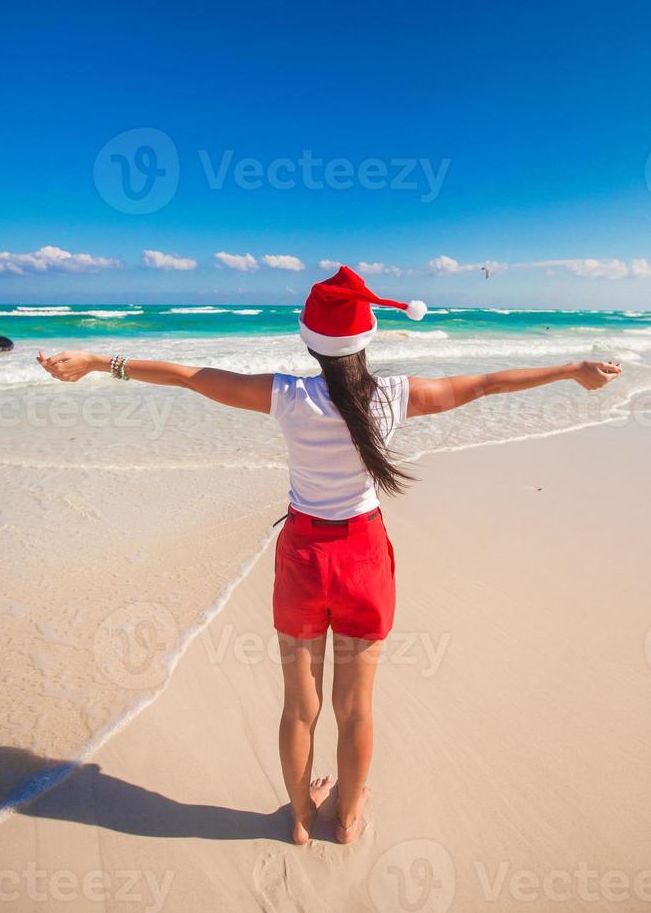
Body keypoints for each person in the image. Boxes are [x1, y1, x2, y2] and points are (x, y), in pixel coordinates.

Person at [36, 264, 622, 846]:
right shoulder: (396, 395)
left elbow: (192, 375)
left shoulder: (287, 397)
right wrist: (572, 369)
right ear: (367, 337)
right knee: (356, 707)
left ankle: (297, 818)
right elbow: (488, 384)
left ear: (310, 342)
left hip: (302, 558)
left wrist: (96, 362)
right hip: (363, 556)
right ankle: (346, 818)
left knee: (299, 705)